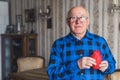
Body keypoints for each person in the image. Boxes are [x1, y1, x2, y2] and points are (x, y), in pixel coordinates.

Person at [47, 6, 116, 80]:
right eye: (73, 18)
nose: (78, 21)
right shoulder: (58, 44)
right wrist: (77, 65)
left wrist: (106, 67)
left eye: (82, 17)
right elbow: (53, 75)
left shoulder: (100, 42)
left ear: (87, 21)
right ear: (68, 22)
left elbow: (112, 66)